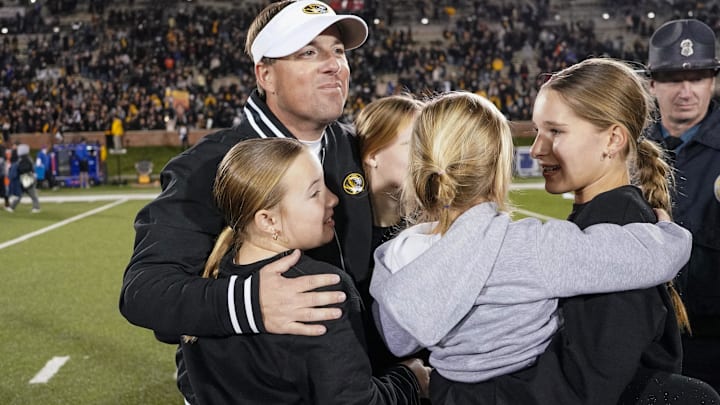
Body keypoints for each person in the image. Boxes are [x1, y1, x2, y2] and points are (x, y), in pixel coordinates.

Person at [119, 1, 392, 402]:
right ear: (265, 74)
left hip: (354, 382)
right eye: (309, 52)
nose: (335, 65)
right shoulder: (208, 165)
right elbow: (144, 292)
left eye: (339, 51)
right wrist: (250, 302)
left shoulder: (354, 146)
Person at [369, 89, 700, 400]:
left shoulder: (399, 253)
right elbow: (645, 258)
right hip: (525, 390)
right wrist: (669, 231)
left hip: (449, 392)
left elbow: (397, 340)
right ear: (500, 167)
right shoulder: (531, 246)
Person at [181, 137, 427, 404]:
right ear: (267, 220)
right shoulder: (318, 290)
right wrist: (410, 379)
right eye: (314, 193)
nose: (333, 199)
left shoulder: (206, 283)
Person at [645, 19, 720, 393]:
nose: (686, 90)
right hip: (645, 344)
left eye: (699, 76)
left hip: (713, 342)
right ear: (653, 84)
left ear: (713, 81)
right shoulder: (623, 149)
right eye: (673, 78)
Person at [355, 94, 425, 373]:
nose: (427, 155)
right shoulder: (334, 233)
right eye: (412, 144)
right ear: (372, 155)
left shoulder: (430, 227)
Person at [6, 144, 40, 213]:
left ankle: (36, 207)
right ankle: (12, 207)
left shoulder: (25, 159)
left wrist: (18, 170)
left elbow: (25, 169)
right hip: (25, 177)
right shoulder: (25, 158)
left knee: (31, 192)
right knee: (22, 193)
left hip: (26, 177)